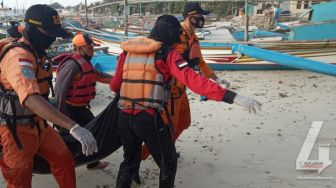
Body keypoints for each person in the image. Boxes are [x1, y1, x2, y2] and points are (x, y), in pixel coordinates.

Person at [110, 15, 261, 188]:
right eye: (174, 36)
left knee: (128, 162)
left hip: (123, 116)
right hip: (148, 118)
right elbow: (194, 81)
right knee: (169, 161)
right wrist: (232, 97)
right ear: (168, 33)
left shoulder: (127, 51)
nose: (175, 41)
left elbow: (115, 86)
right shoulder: (167, 53)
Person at [0, 4, 97, 188]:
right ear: (32, 28)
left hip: (40, 126)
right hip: (16, 130)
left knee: (64, 159)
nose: (52, 38)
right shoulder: (18, 56)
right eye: (49, 33)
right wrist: (73, 126)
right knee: (19, 177)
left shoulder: (37, 53)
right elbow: (31, 99)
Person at [140, 2, 231, 161]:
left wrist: (217, 79)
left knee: (184, 122)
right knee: (168, 129)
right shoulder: (173, 33)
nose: (202, 19)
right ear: (190, 17)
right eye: (199, 16)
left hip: (182, 90)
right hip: (170, 92)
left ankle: (167, 149)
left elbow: (200, 62)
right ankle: (141, 157)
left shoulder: (193, 38)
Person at [54, 33, 112, 170]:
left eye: (92, 48)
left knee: (95, 132)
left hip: (81, 108)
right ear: (79, 48)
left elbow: (101, 76)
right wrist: (61, 118)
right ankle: (65, 165)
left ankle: (93, 162)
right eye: (89, 48)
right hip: (68, 109)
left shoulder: (86, 64)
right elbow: (59, 92)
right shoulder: (71, 65)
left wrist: (120, 80)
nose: (92, 51)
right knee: (67, 139)